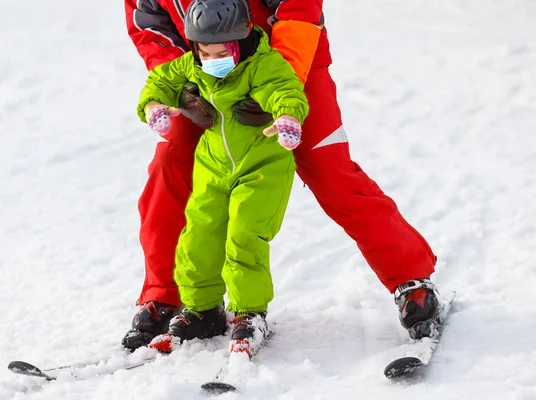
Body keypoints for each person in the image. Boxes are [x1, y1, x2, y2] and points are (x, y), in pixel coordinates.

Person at [122, 0, 441, 351]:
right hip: (206, 75)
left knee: (330, 171)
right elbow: (149, 25)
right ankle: (168, 295)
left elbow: (298, 8)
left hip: (289, 65)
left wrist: (278, 83)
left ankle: (410, 279)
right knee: (170, 165)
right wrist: (183, 84)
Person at [133, 0, 309, 354]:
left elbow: (285, 90)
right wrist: (153, 107)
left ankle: (249, 313)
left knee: (244, 235)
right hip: (214, 166)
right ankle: (202, 310)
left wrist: (288, 116)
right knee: (198, 235)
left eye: (222, 52)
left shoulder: (262, 65)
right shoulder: (194, 64)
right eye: (205, 52)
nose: (213, 60)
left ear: (241, 39)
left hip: (262, 166)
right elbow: (160, 80)